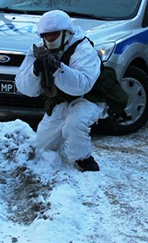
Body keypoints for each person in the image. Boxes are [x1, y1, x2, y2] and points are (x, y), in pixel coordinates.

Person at [15, 10, 106, 172]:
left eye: (54, 34)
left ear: (66, 32)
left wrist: (57, 69)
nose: (50, 39)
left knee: (74, 123)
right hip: (62, 99)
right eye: (46, 35)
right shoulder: (39, 50)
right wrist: (35, 70)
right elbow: (25, 88)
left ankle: (84, 159)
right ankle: (59, 154)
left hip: (91, 97)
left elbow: (82, 86)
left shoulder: (83, 49)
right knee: (43, 146)